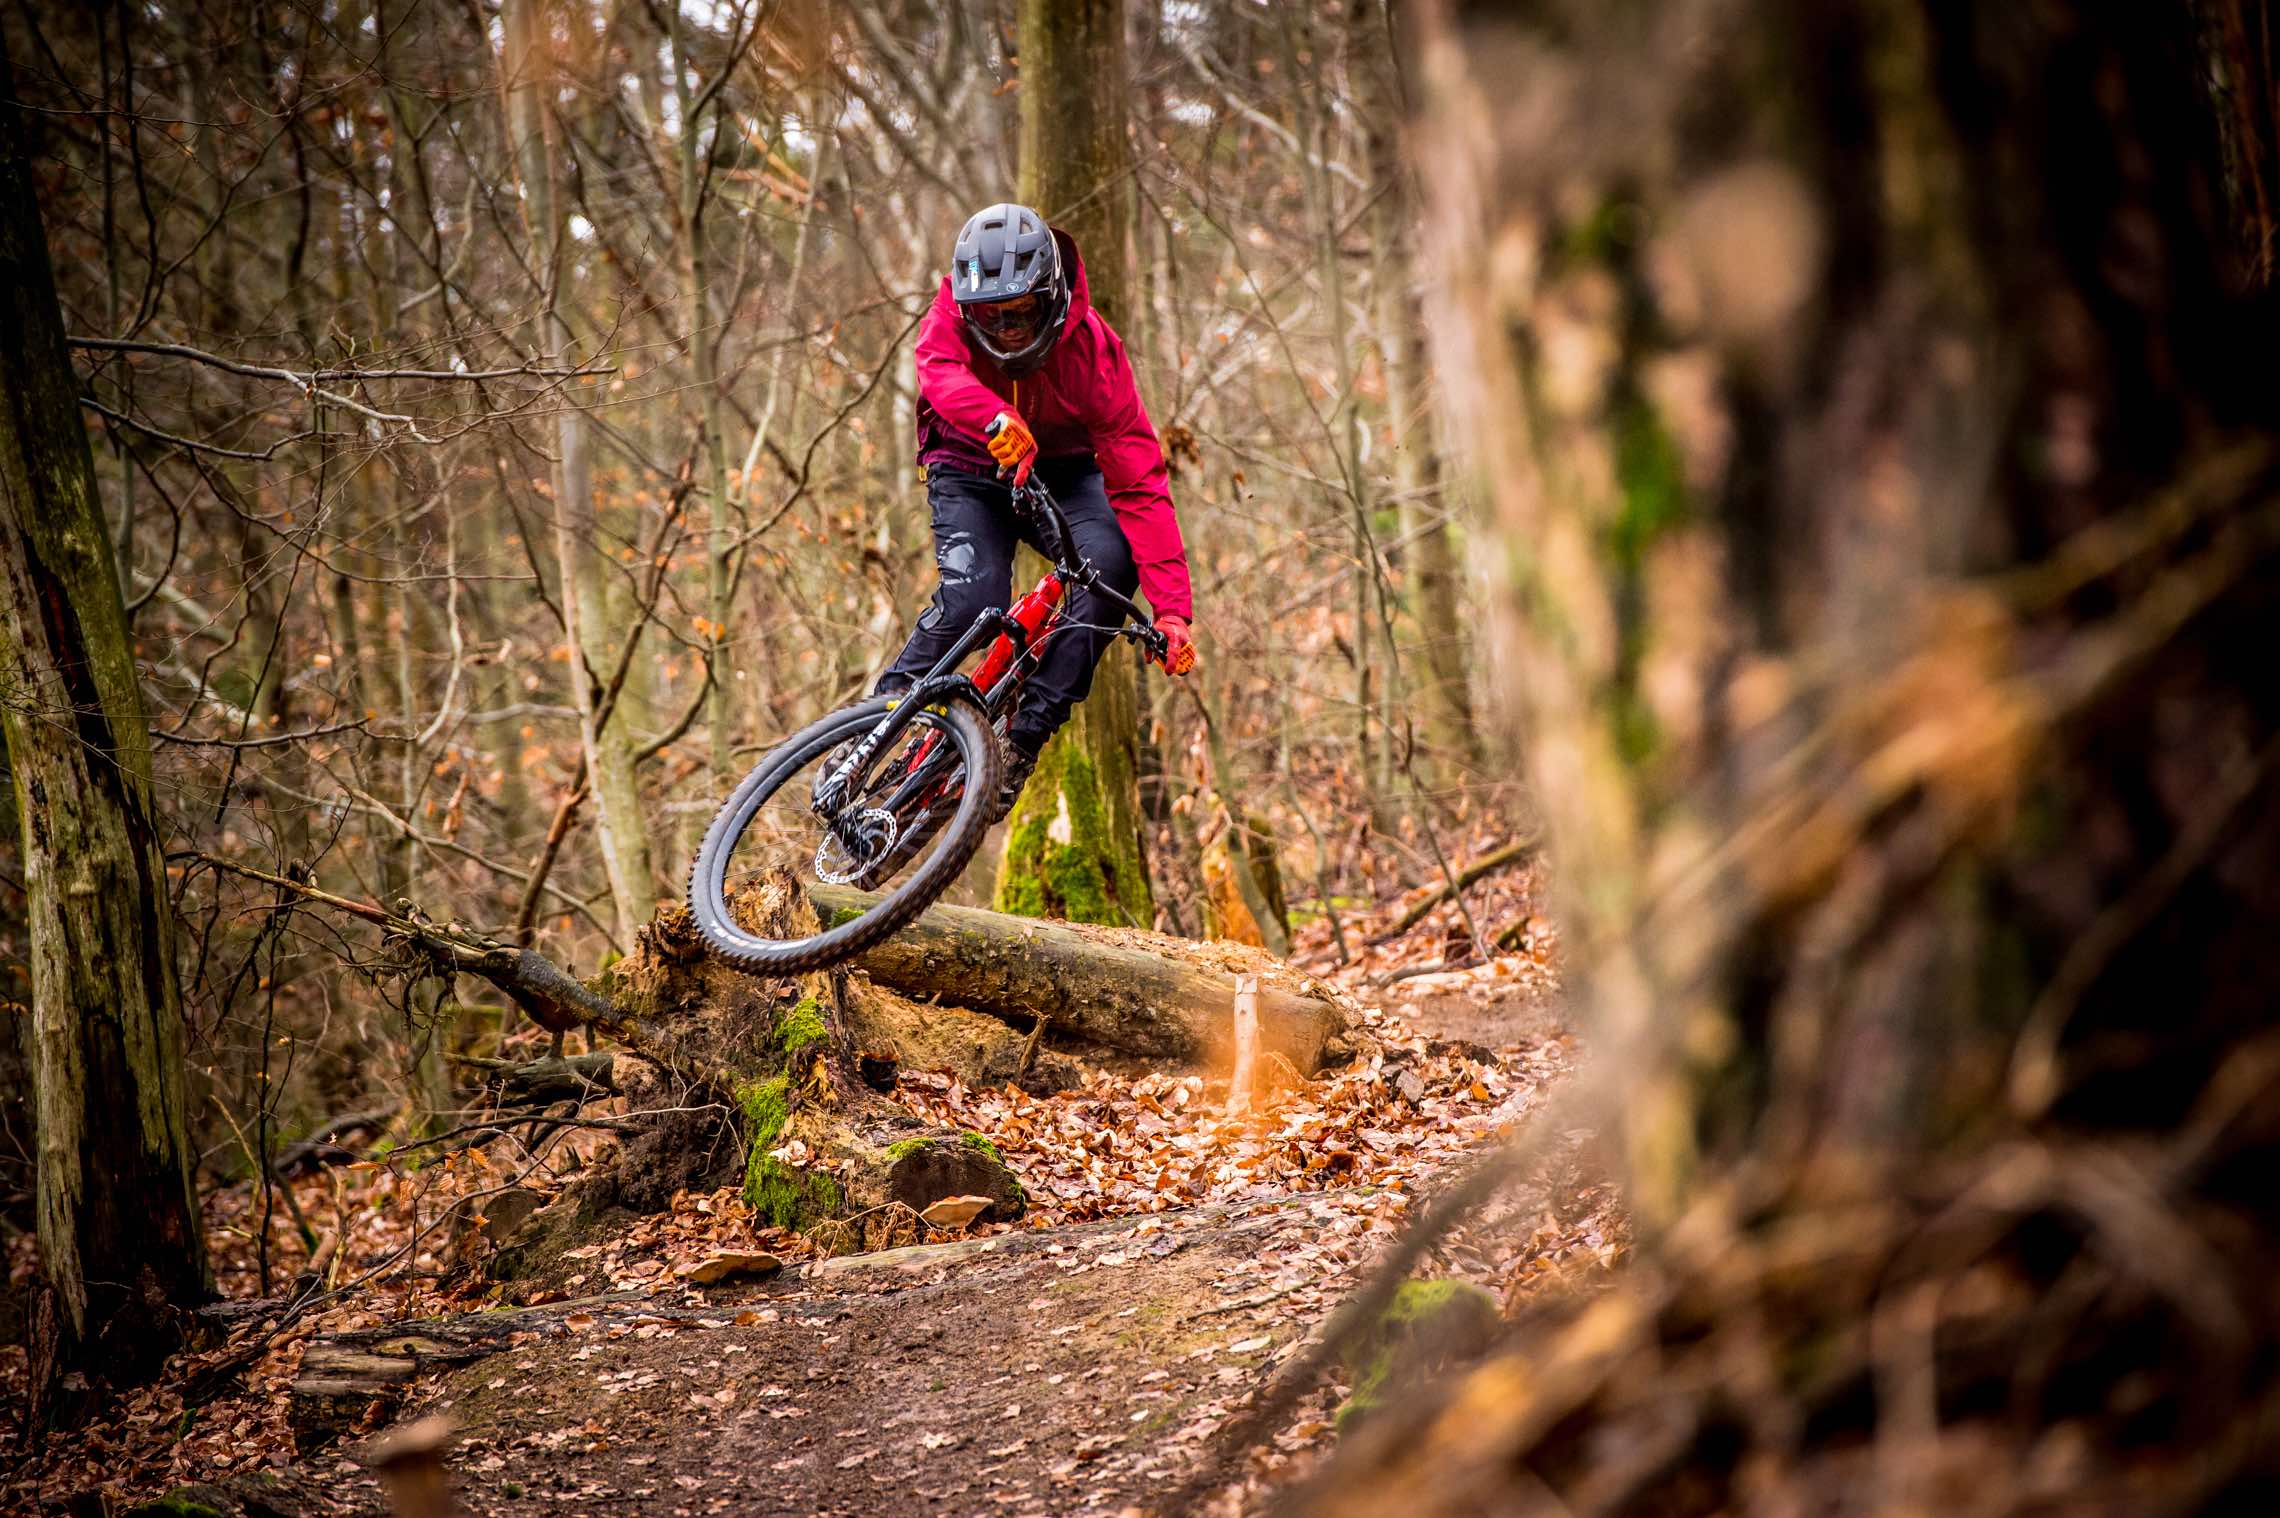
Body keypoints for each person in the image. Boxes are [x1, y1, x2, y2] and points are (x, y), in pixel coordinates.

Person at [877, 201, 1196, 818]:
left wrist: (1174, 611)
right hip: (969, 459)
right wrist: (991, 416)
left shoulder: (1095, 354)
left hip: (1066, 472)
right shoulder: (949, 310)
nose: (1007, 331)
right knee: (976, 597)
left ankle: (1022, 741)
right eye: (990, 317)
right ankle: (883, 713)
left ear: (1050, 297)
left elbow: (1140, 484)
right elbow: (936, 367)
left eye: (1020, 313)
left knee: (1109, 567)